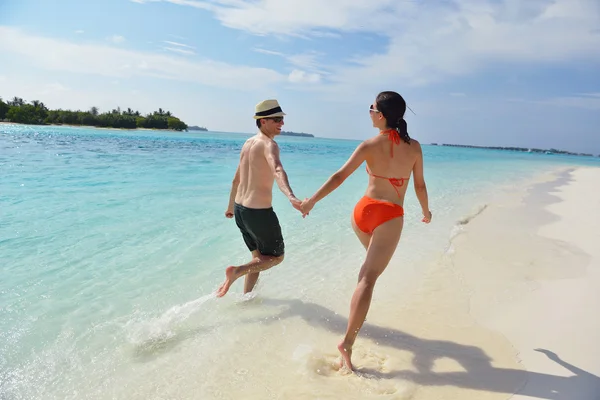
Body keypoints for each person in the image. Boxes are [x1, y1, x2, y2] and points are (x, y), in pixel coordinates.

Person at [299, 91, 432, 371]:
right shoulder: (415, 147)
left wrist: (310, 201)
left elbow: (339, 177)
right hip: (390, 215)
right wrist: (426, 211)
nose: (369, 112)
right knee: (368, 279)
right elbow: (419, 185)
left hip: (362, 213)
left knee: (368, 272)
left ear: (381, 115)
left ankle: (355, 319)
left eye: (371, 108)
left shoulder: (369, 145)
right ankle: (346, 343)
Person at [216, 99, 302, 298]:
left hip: (240, 210)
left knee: (258, 258)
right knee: (276, 257)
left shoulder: (248, 143)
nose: (281, 123)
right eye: (276, 119)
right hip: (258, 213)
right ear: (263, 121)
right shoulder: (269, 144)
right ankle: (236, 271)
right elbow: (277, 169)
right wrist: (291, 196)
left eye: (282, 119)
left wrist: (230, 206)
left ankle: (247, 297)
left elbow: (236, 179)